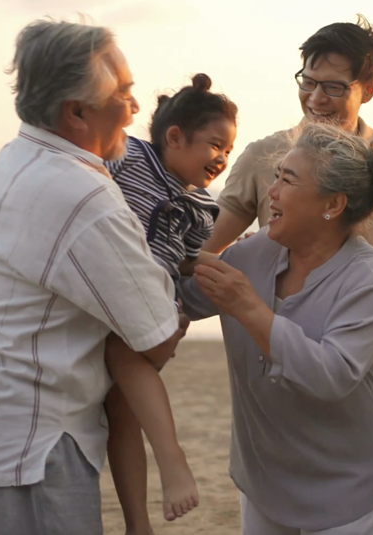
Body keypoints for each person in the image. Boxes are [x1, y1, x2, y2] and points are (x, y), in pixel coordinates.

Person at [0, 20, 188, 535]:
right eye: (124, 94)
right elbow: (157, 334)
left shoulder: (16, 158)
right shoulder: (83, 196)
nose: (136, 110)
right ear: (76, 112)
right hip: (31, 451)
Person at [203, 15, 373, 419]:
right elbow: (210, 249)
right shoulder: (264, 155)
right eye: (308, 82)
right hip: (276, 354)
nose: (316, 98)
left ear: (369, 88)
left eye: (334, 87)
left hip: (370, 362)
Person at [183, 122, 373, 534]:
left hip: (349, 487)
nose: (271, 193)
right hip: (265, 481)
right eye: (276, 177)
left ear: (333, 205)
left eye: (288, 180)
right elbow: (182, 298)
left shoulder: (369, 278)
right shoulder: (254, 253)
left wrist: (249, 307)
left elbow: (330, 376)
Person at [101, 72, 237, 529]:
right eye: (216, 145)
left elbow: (186, 264)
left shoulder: (203, 206)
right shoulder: (127, 157)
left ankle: (140, 520)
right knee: (122, 374)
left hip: (150, 305)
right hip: (105, 290)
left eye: (228, 151)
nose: (222, 158)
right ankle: (167, 464)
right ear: (174, 137)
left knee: (124, 409)